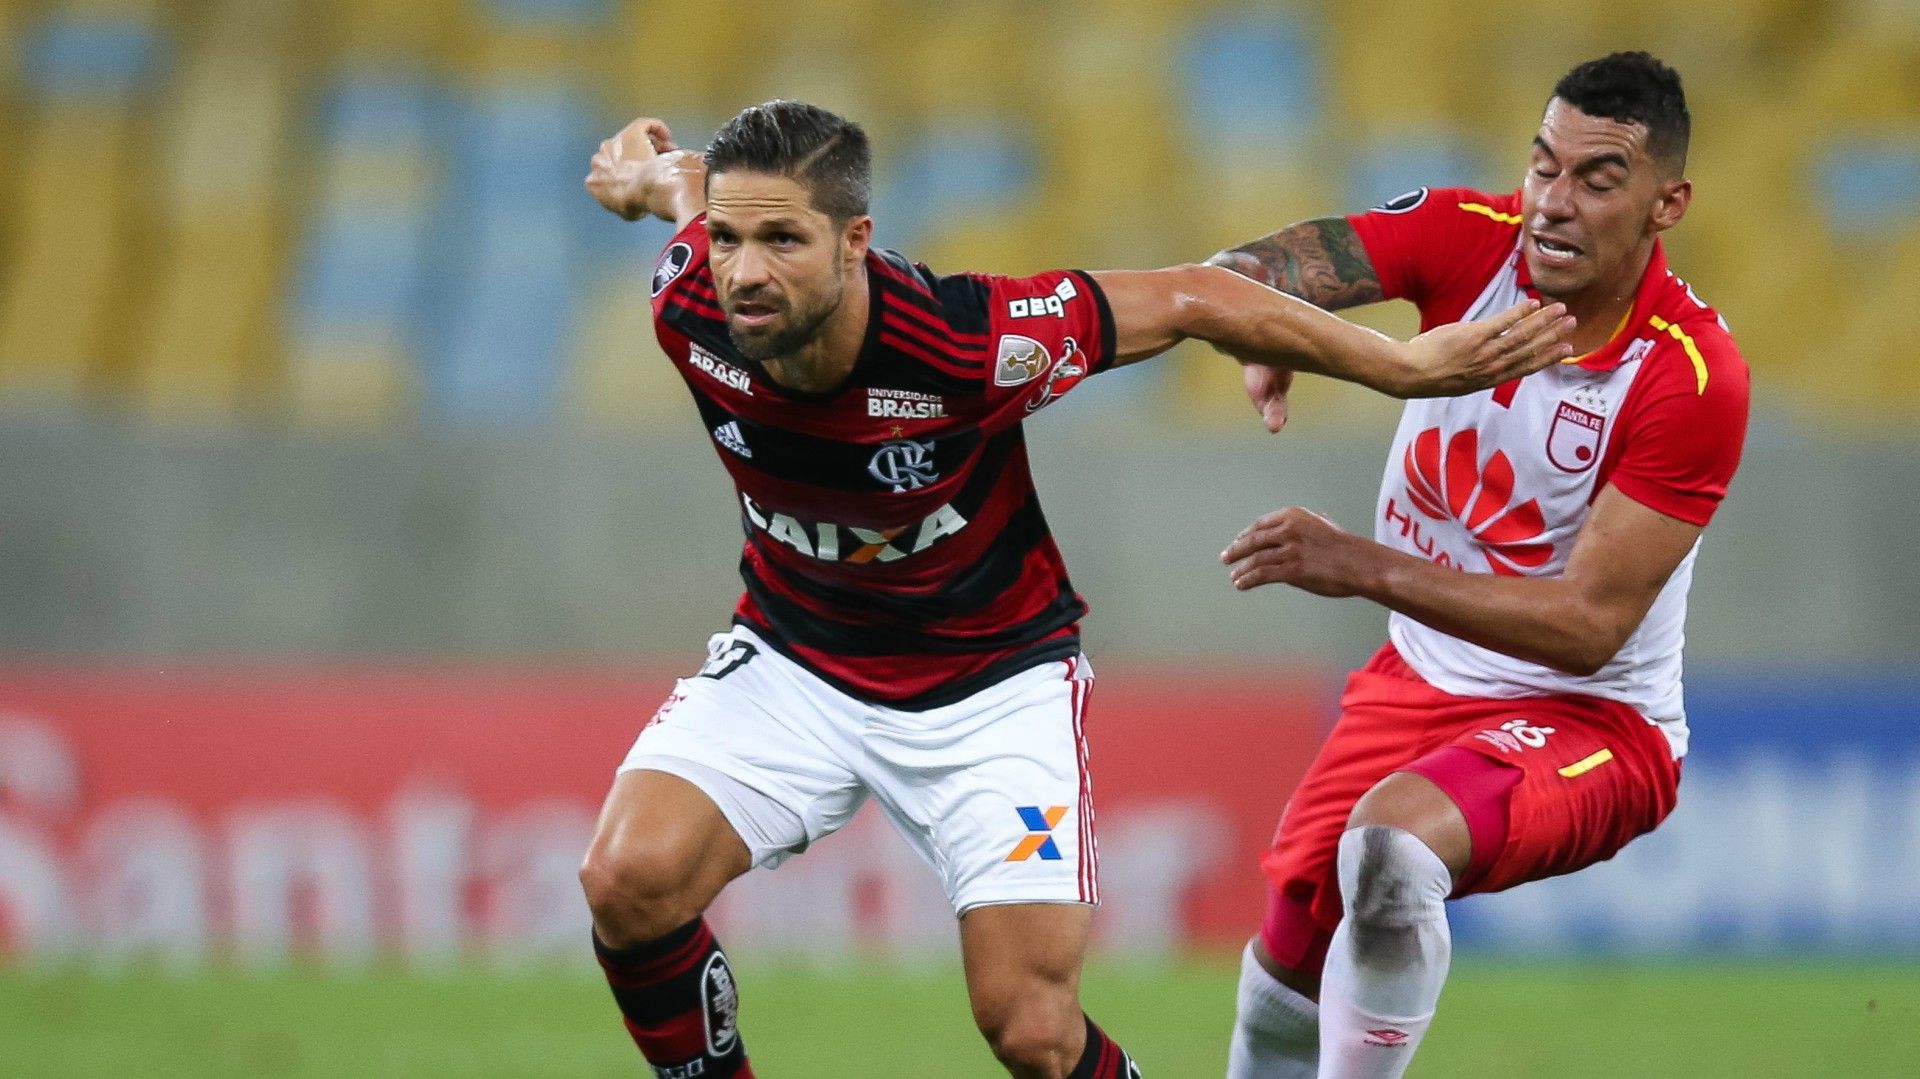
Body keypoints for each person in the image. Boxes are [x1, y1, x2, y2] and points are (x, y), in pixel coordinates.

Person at [578, 98, 1574, 1079]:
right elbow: (689, 191)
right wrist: (644, 176)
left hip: (990, 687)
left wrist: (1400, 368)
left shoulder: (966, 341)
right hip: (795, 659)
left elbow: (1193, 296)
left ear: (855, 242)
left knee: (1031, 1027)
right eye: (730, 240)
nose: (746, 271)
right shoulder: (692, 295)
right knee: (626, 879)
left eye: (784, 240)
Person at [1212, 52, 1750, 1079]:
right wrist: (1260, 322)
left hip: (1595, 717)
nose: (1552, 202)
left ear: (1665, 204)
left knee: (1388, 851)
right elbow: (1243, 267)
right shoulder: (1472, 237)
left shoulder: (1689, 374)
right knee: (1288, 949)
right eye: (1543, 165)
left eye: (1597, 179)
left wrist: (1362, 565)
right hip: (1416, 683)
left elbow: (1589, 625)